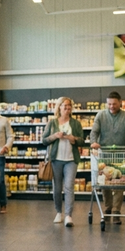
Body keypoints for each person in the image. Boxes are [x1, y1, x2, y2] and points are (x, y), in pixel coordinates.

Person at [90, 91, 125, 224]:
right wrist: (93, 142)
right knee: (105, 182)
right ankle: (108, 208)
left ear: (120, 103)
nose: (111, 106)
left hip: (120, 154)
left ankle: (116, 211)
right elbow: (94, 131)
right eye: (109, 104)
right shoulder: (101, 115)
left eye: (114, 104)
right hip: (104, 154)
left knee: (118, 182)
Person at [41, 97, 83, 227]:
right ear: (59, 107)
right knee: (57, 188)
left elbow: (82, 141)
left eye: (69, 106)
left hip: (71, 160)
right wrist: (55, 136)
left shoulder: (75, 123)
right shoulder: (52, 123)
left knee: (69, 186)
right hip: (56, 160)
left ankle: (68, 215)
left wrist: (73, 139)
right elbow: (44, 140)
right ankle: (59, 212)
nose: (67, 108)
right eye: (65, 105)